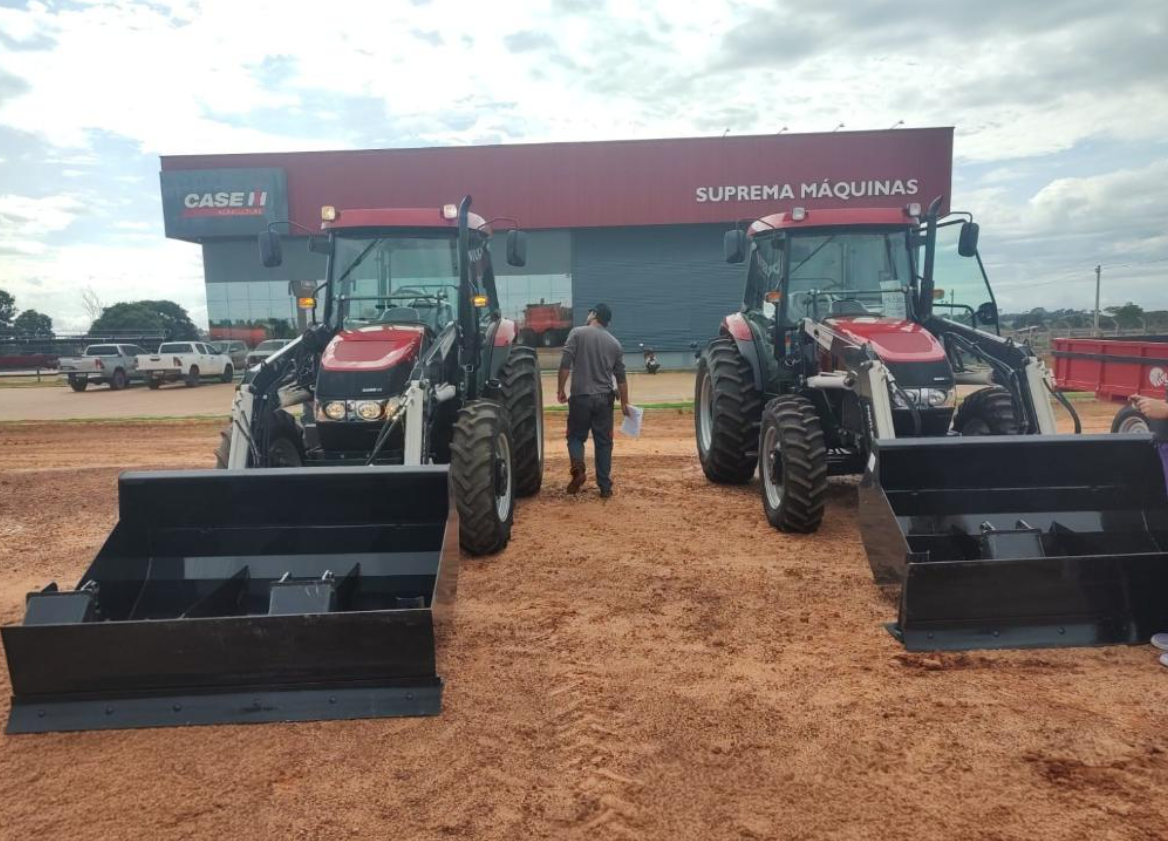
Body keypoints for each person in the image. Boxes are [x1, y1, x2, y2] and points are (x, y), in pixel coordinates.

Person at [557, 303, 631, 498]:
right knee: (604, 442)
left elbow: (565, 363)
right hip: (605, 399)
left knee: (575, 437)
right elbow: (621, 378)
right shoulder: (615, 344)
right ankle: (605, 486)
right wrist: (624, 403)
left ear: (594, 314)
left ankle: (578, 469)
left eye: (590, 312)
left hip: (580, 397)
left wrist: (560, 389)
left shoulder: (577, 333)